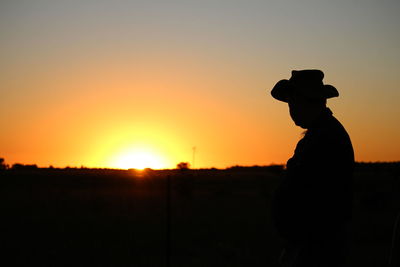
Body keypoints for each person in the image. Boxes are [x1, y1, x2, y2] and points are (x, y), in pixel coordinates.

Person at [270, 70, 354, 266]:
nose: (290, 110)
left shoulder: (327, 137)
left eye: (292, 102)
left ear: (306, 101)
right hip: (309, 245)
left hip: (317, 249)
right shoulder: (320, 134)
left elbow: (316, 200)